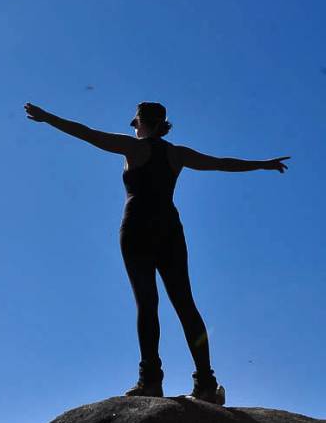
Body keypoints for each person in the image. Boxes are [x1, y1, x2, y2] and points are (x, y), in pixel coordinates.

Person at [24, 100, 290, 404]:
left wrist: (47, 118)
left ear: (141, 122)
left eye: (134, 122)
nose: (132, 126)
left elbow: (87, 133)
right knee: (185, 304)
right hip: (169, 231)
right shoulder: (177, 154)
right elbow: (221, 162)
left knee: (147, 304)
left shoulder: (133, 148)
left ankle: (150, 381)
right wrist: (262, 164)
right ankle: (205, 383)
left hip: (137, 229)